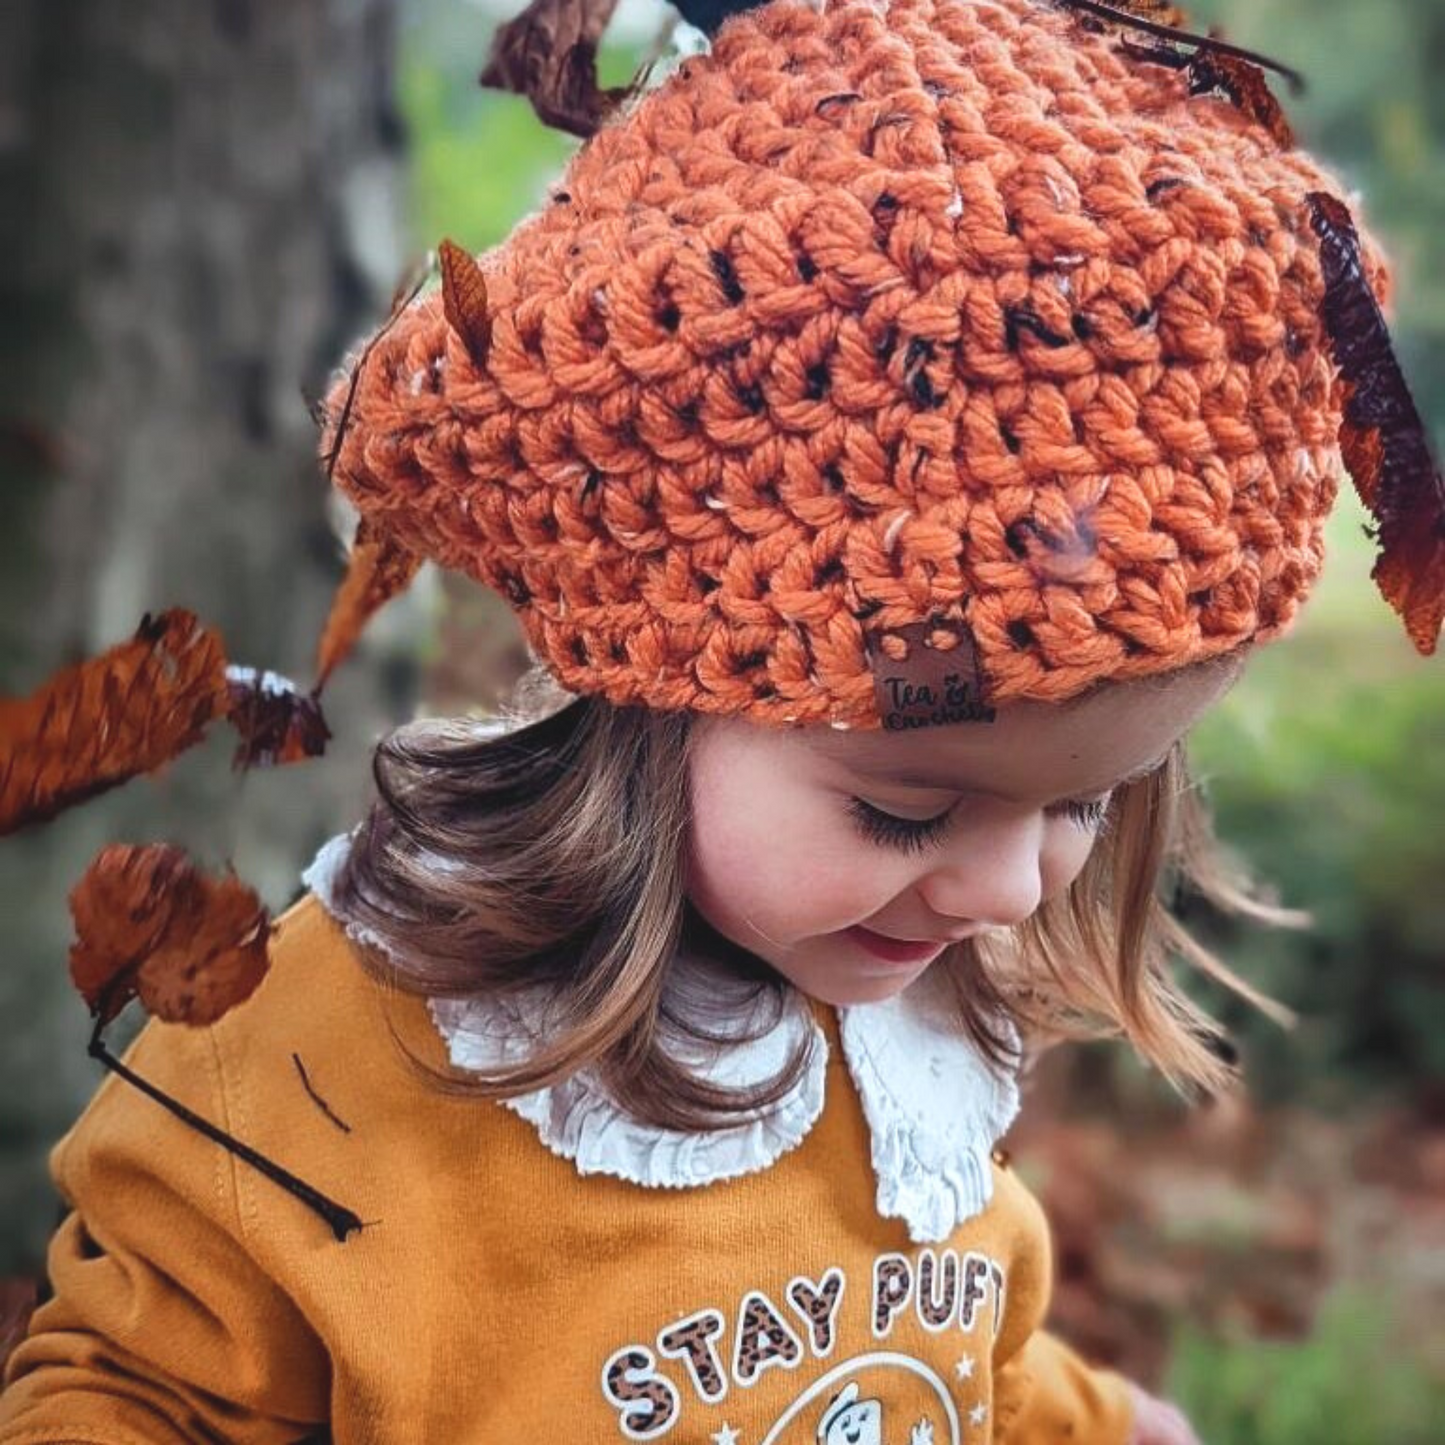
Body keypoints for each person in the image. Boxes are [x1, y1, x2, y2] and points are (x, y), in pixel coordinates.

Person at [0, 0, 1427, 1440]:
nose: (1007, 888)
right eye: (907, 810)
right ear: (654, 701)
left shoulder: (889, 1005)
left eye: (1083, 805)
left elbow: (940, 1328)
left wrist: (1089, 1423)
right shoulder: (329, 1056)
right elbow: (127, 1391)